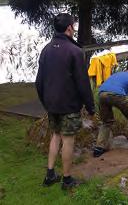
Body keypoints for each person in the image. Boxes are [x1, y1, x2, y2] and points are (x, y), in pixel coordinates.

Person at [36, 13, 95, 190]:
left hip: (52, 104)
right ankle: (67, 180)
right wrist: (91, 107)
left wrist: (45, 102)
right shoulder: (74, 51)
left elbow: (39, 81)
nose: (74, 27)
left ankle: (50, 174)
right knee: (68, 140)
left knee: (56, 136)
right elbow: (83, 83)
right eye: (73, 25)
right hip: (68, 105)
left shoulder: (46, 49)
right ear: (69, 27)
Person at [93, 59, 128, 157]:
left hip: (101, 94)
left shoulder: (117, 74)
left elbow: (119, 92)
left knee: (106, 122)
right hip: (117, 95)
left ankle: (98, 148)